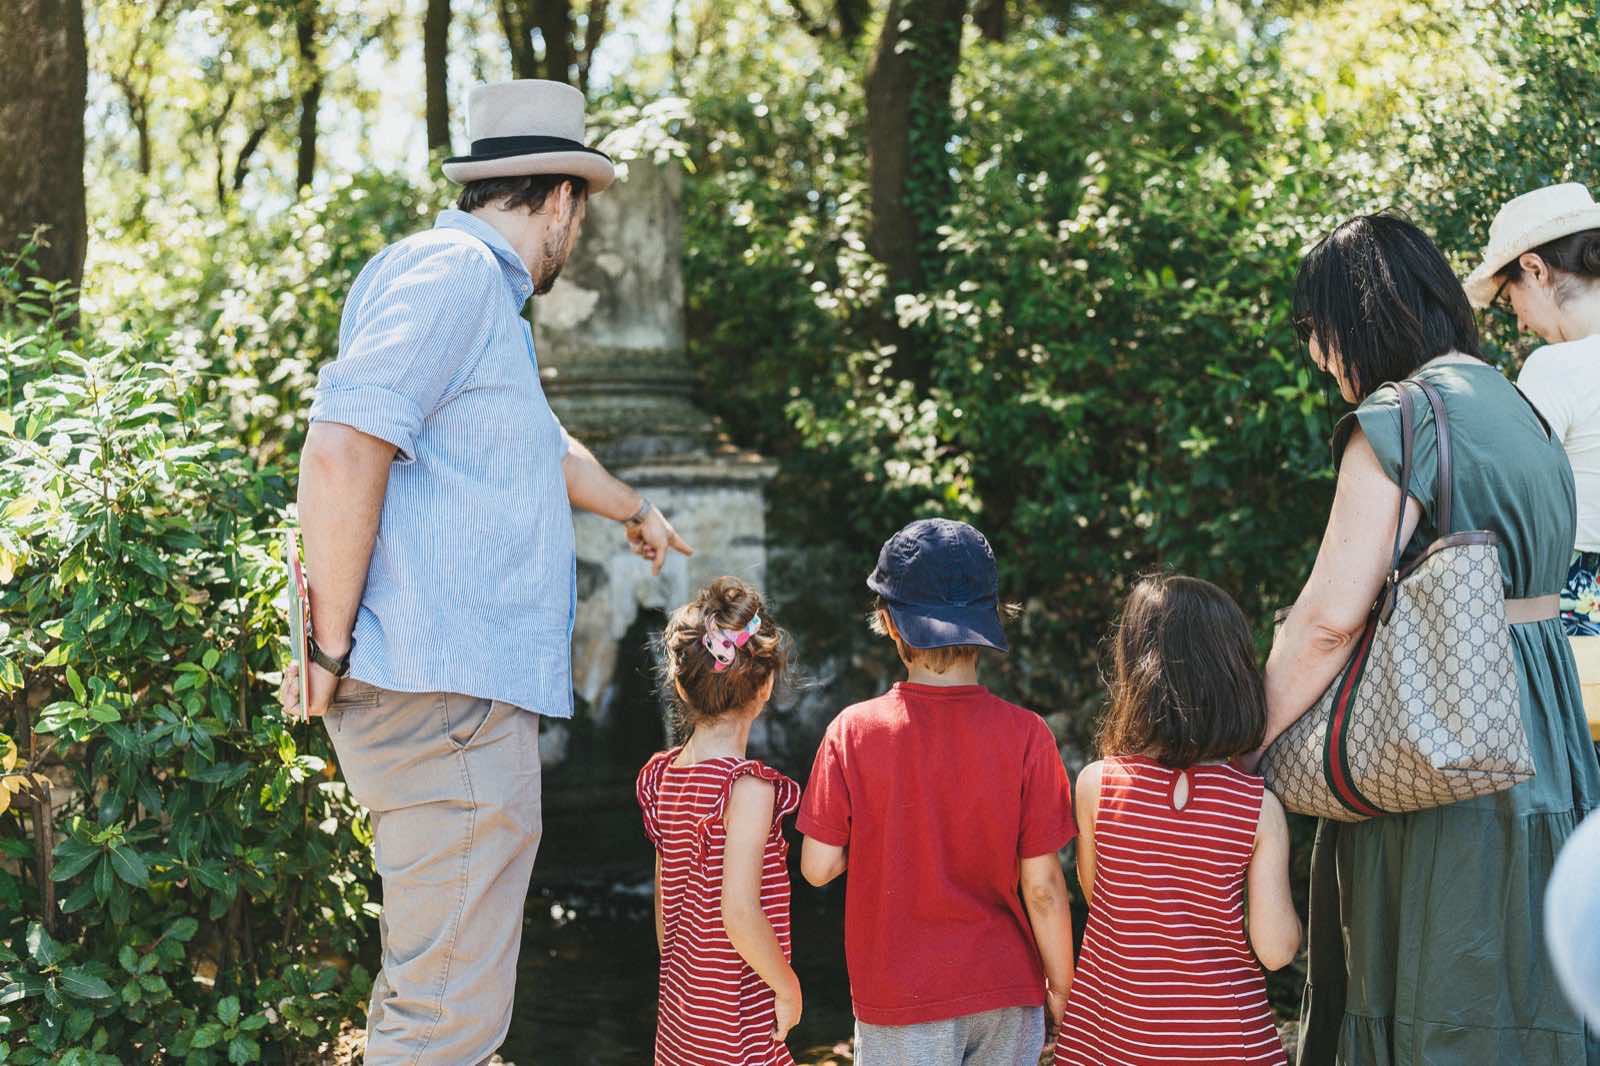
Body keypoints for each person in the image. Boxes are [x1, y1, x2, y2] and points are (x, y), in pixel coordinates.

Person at [278, 80, 691, 1063]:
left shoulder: (467, 299)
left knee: (435, 1002)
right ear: (561, 200)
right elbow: (343, 443)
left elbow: (539, 451)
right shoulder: (455, 276)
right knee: (447, 1025)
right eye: (578, 217)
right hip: (444, 699)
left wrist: (635, 509)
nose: (575, 237)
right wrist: (327, 644)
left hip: (452, 698)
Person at [1264, 212, 1600, 1064]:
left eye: (1314, 330)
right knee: (1530, 981)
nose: (1315, 354)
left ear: (1355, 318)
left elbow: (1329, 620)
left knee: (1438, 988)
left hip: (1441, 747)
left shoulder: (1402, 418)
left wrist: (1238, 742)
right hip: (1545, 733)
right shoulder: (1518, 406)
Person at [796, 518, 1077, 1066]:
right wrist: (1063, 990)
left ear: (888, 622)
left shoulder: (852, 731)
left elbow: (818, 867)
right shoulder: (1028, 735)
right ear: (991, 619)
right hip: (1006, 991)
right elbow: (1043, 887)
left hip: (901, 998)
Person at [1055, 574, 1299, 1066]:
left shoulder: (1097, 786)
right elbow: (1275, 951)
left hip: (1112, 1042)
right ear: (1234, 675)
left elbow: (1102, 895)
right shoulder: (1256, 807)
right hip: (1229, 1045)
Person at [636, 577, 802, 1066]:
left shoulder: (661, 777)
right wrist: (787, 985)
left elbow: (665, 914)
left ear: (680, 684)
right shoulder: (748, 788)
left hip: (683, 1021)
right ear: (766, 685)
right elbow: (740, 913)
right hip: (737, 1019)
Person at [1465, 182, 1600, 638]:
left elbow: (1510, 505)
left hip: (1579, 600)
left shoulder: (1553, 367)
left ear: (1535, 269)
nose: (1520, 321)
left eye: (1509, 302)